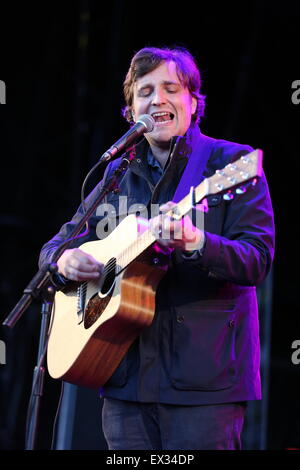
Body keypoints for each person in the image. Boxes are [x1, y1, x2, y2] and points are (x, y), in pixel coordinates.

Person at [39, 46, 275, 450]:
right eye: (145, 92)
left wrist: (195, 241)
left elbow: (256, 260)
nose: (158, 99)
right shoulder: (118, 174)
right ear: (131, 112)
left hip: (204, 385)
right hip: (124, 381)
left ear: (193, 102)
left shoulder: (229, 164)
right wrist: (64, 260)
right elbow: (57, 244)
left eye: (171, 88)